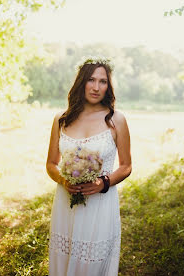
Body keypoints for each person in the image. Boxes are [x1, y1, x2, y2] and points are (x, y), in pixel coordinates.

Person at [46, 57, 132, 276]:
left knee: (92, 262)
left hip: (100, 204)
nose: (96, 87)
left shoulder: (116, 120)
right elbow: (51, 164)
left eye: (102, 81)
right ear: (81, 82)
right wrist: (64, 180)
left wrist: (103, 183)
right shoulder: (61, 119)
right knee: (64, 258)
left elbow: (126, 166)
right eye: (91, 80)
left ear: (108, 86)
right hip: (67, 203)